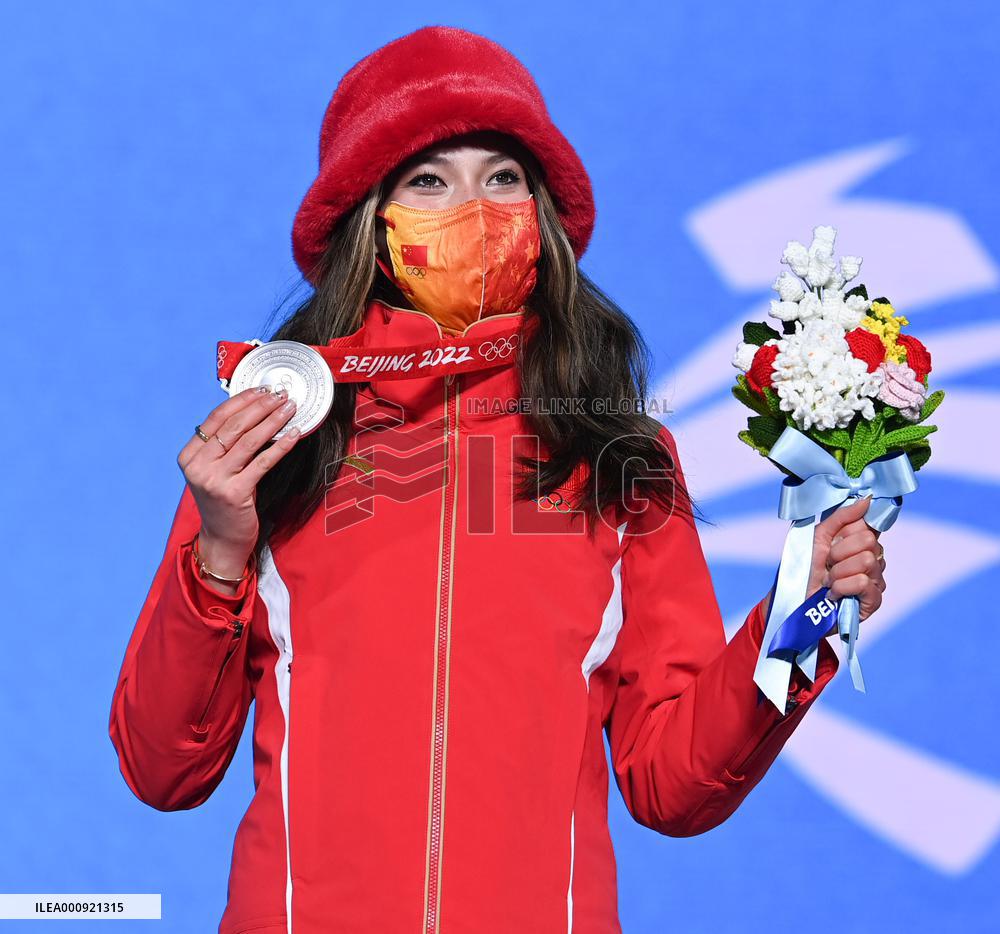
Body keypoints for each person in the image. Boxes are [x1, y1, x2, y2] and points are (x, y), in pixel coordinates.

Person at [108, 25, 887, 934]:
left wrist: (805, 614)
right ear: (370, 219)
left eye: (503, 177)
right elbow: (163, 770)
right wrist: (218, 552)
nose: (474, 209)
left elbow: (671, 785)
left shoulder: (618, 458)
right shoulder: (279, 438)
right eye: (428, 181)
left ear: (542, 213)